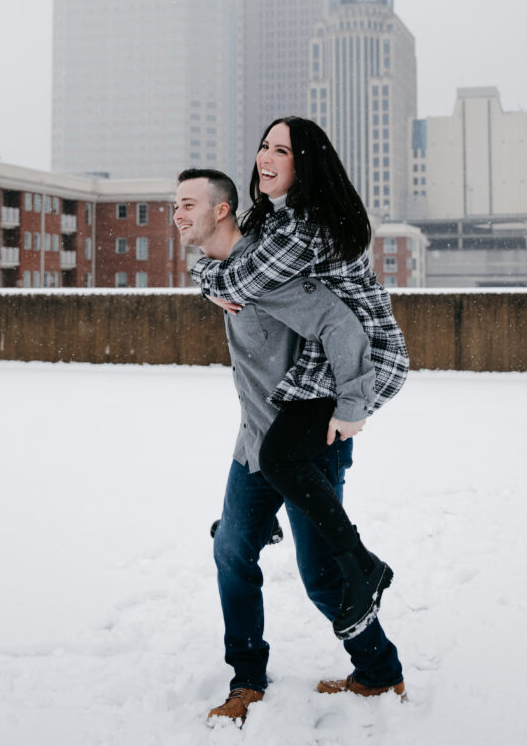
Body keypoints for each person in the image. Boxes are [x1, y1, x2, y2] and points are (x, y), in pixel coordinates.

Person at [174, 168, 406, 727]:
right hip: (254, 443)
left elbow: (341, 326)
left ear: (223, 209)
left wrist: (353, 406)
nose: (177, 215)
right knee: (231, 552)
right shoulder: (225, 271)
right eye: (174, 205)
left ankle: (378, 670)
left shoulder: (269, 275)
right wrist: (210, 280)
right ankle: (247, 677)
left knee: (321, 572)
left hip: (306, 445)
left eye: (187, 204)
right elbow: (203, 261)